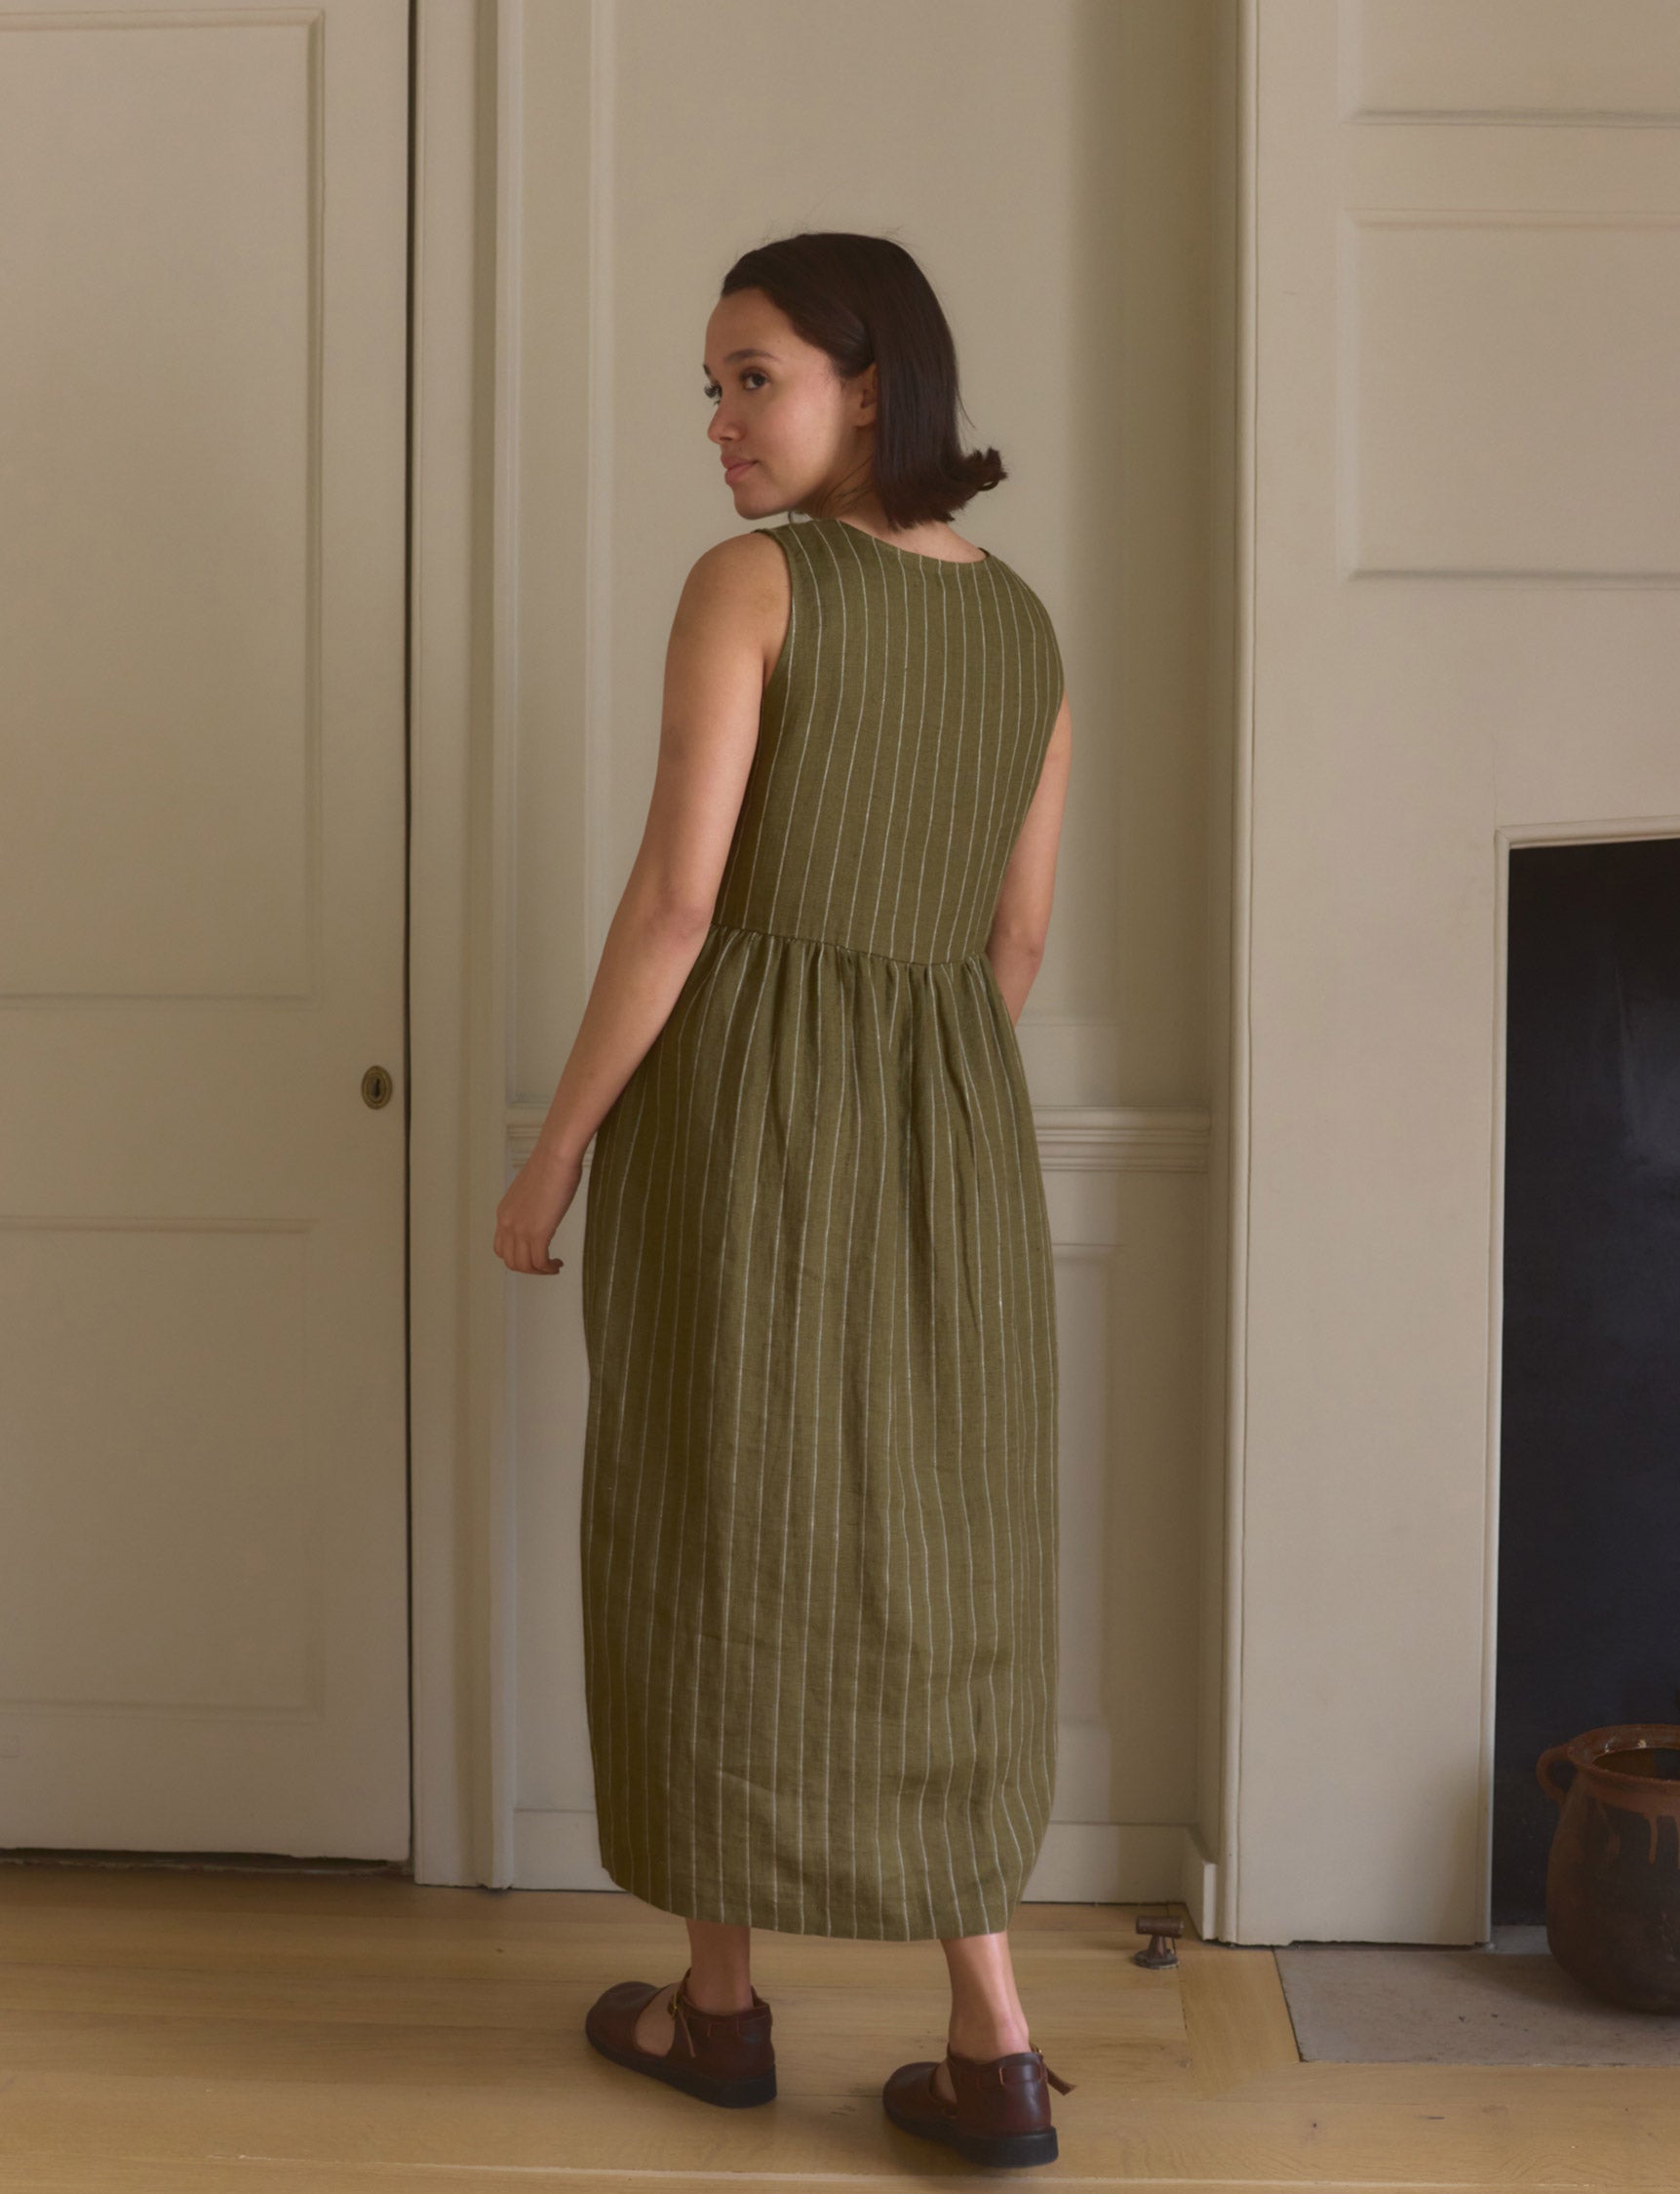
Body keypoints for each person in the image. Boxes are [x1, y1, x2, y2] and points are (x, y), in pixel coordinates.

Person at [494, 230, 1075, 2170]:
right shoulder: (1025, 625)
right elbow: (1014, 947)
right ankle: (991, 2037)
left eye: (758, 377)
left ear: (871, 385)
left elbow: (678, 908)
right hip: (952, 1134)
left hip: (741, 1112)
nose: (724, 423)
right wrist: (912, 1113)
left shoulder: (753, 587)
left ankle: (721, 2007)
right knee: (937, 1557)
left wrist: (563, 1140)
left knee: (714, 1519)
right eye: (715, 388)